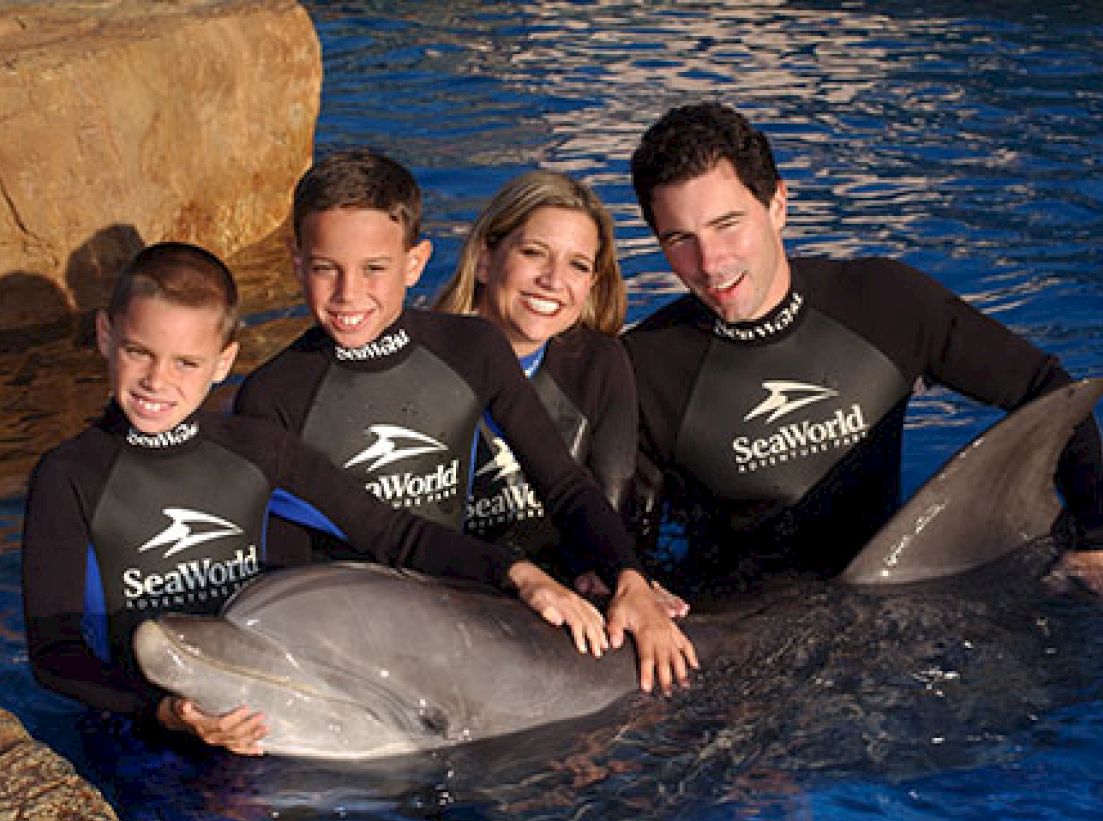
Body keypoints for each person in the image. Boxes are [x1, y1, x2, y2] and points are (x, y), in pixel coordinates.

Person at [21, 242, 619, 757]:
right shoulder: (70, 475)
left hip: (263, 716)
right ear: (105, 336)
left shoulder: (257, 450)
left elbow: (392, 533)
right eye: (138, 352)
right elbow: (54, 654)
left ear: (224, 361)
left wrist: (520, 575)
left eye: (186, 362)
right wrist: (166, 714)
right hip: (138, 730)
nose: (158, 381)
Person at [622, 101, 1103, 599]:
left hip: (905, 584)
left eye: (727, 224)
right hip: (748, 627)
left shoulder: (883, 303)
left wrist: (1099, 544)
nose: (710, 262)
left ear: (778, 204)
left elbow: (1052, 394)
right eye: (679, 239)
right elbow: (622, 542)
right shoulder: (645, 368)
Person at [234, 150, 696, 690]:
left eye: (374, 269)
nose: (348, 294)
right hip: (351, 638)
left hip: (462, 619)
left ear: (415, 263)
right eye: (324, 268)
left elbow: (567, 486)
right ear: (296, 260)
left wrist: (630, 581)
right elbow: (287, 566)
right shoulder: (272, 395)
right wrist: (520, 575)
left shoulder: (470, 348)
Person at [433, 170, 686, 615]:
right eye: (534, 253)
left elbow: (618, 522)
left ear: (591, 283)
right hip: (451, 596)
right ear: (485, 258)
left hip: (561, 604)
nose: (553, 281)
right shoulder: (419, 362)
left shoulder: (599, 366)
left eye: (578, 265)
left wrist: (624, 580)